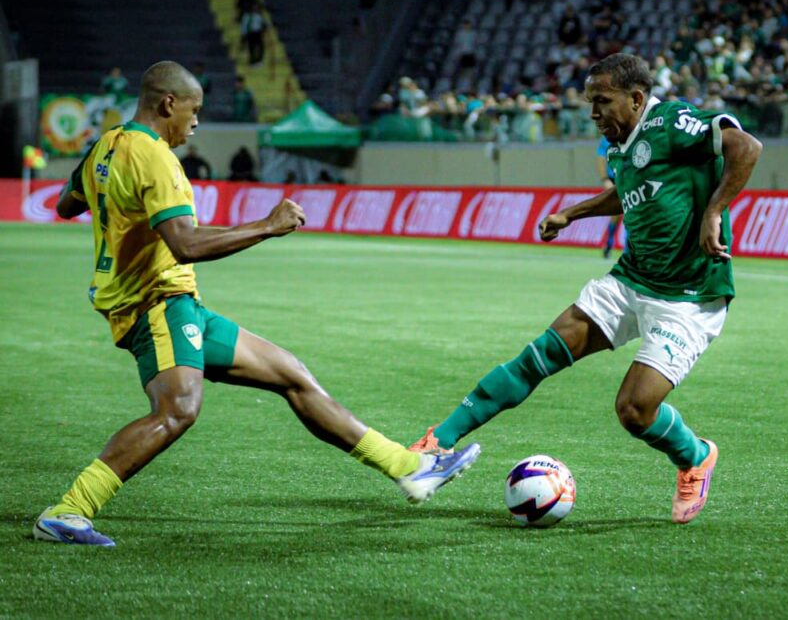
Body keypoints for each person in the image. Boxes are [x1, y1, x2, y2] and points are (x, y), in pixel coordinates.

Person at [35, 61, 480, 547]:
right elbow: (185, 244)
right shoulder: (156, 158)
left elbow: (65, 203)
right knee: (177, 409)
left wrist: (116, 208)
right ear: (168, 104)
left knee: (290, 373)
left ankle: (409, 468)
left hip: (175, 305)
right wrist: (267, 226)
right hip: (157, 304)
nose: (197, 121)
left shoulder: (109, 142)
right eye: (194, 109)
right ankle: (70, 509)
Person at [410, 53, 762, 524]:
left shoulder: (672, 121)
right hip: (630, 279)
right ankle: (437, 443)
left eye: (602, 101)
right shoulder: (621, 144)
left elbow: (746, 147)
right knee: (538, 356)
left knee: (634, 410)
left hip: (688, 297)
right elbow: (627, 190)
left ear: (637, 99)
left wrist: (714, 210)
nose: (593, 113)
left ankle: (695, 456)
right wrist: (571, 214)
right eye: (589, 102)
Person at [594, 135, 621, 259]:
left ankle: (629, 250)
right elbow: (600, 158)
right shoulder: (608, 138)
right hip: (613, 179)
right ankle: (609, 242)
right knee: (617, 213)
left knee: (629, 212)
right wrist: (605, 179)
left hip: (628, 177)